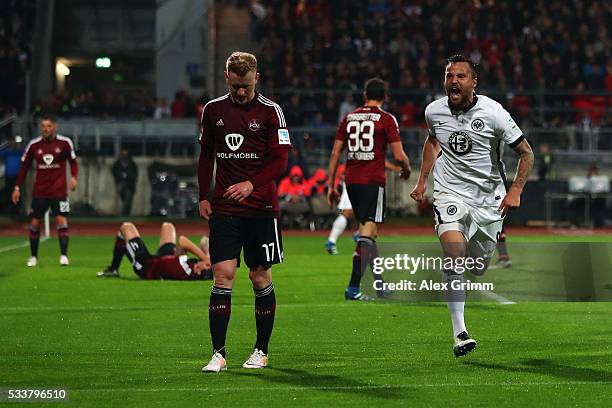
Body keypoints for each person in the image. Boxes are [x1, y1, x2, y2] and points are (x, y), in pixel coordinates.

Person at [410, 55, 534, 357]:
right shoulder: (433, 111)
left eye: (461, 76)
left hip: (488, 201)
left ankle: (475, 262)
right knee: (454, 255)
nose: (453, 81)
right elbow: (432, 141)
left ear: (473, 81)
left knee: (477, 267)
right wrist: (423, 179)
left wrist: (515, 189)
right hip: (450, 193)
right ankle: (459, 332)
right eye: (449, 75)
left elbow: (526, 153)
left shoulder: (494, 113)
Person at [198, 51, 292, 372]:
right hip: (224, 208)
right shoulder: (213, 110)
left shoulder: (271, 112)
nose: (241, 92)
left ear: (257, 79)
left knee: (258, 275)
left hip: (262, 209)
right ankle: (218, 354)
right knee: (222, 275)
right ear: (227, 77)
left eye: (247, 86)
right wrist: (203, 195)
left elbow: (280, 160)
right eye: (237, 86)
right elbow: (206, 155)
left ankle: (261, 350)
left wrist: (252, 184)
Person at [327, 78, 412, 300]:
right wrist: (406, 168)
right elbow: (399, 155)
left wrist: (331, 185)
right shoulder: (386, 119)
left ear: (365, 95)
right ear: (385, 97)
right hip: (372, 182)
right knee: (367, 233)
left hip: (351, 181)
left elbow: (336, 152)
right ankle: (353, 288)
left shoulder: (349, 117)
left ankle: (380, 284)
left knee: (368, 232)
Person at [12, 115, 78, 267]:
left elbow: (73, 163)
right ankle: (34, 257)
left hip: (60, 192)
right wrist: (17, 187)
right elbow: (24, 167)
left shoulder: (64, 143)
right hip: (40, 192)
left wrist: (74, 177)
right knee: (35, 223)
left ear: (55, 127)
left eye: (48, 126)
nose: (45, 129)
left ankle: (63, 256)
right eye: (43, 126)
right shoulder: (34, 145)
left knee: (62, 220)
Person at [326, 161, 402, 255]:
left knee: (372, 214)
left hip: (365, 179)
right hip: (358, 178)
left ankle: (359, 236)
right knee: (348, 212)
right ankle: (332, 242)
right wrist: (395, 168)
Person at [97, 222, 211, 280]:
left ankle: (113, 269)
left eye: (206, 265)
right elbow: (205, 241)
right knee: (168, 226)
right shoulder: (197, 269)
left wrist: (205, 258)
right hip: (167, 258)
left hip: (148, 266)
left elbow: (182, 241)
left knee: (126, 227)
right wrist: (207, 258)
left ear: (198, 271)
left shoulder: (188, 271)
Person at [112, 148, 138, 216]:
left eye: (125, 154)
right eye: (123, 154)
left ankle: (125, 213)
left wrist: (127, 176)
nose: (124, 156)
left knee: (128, 198)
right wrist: (121, 176)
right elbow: (115, 172)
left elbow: (134, 175)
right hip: (120, 184)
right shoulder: (117, 164)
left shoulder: (132, 164)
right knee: (122, 198)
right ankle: (120, 212)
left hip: (129, 185)